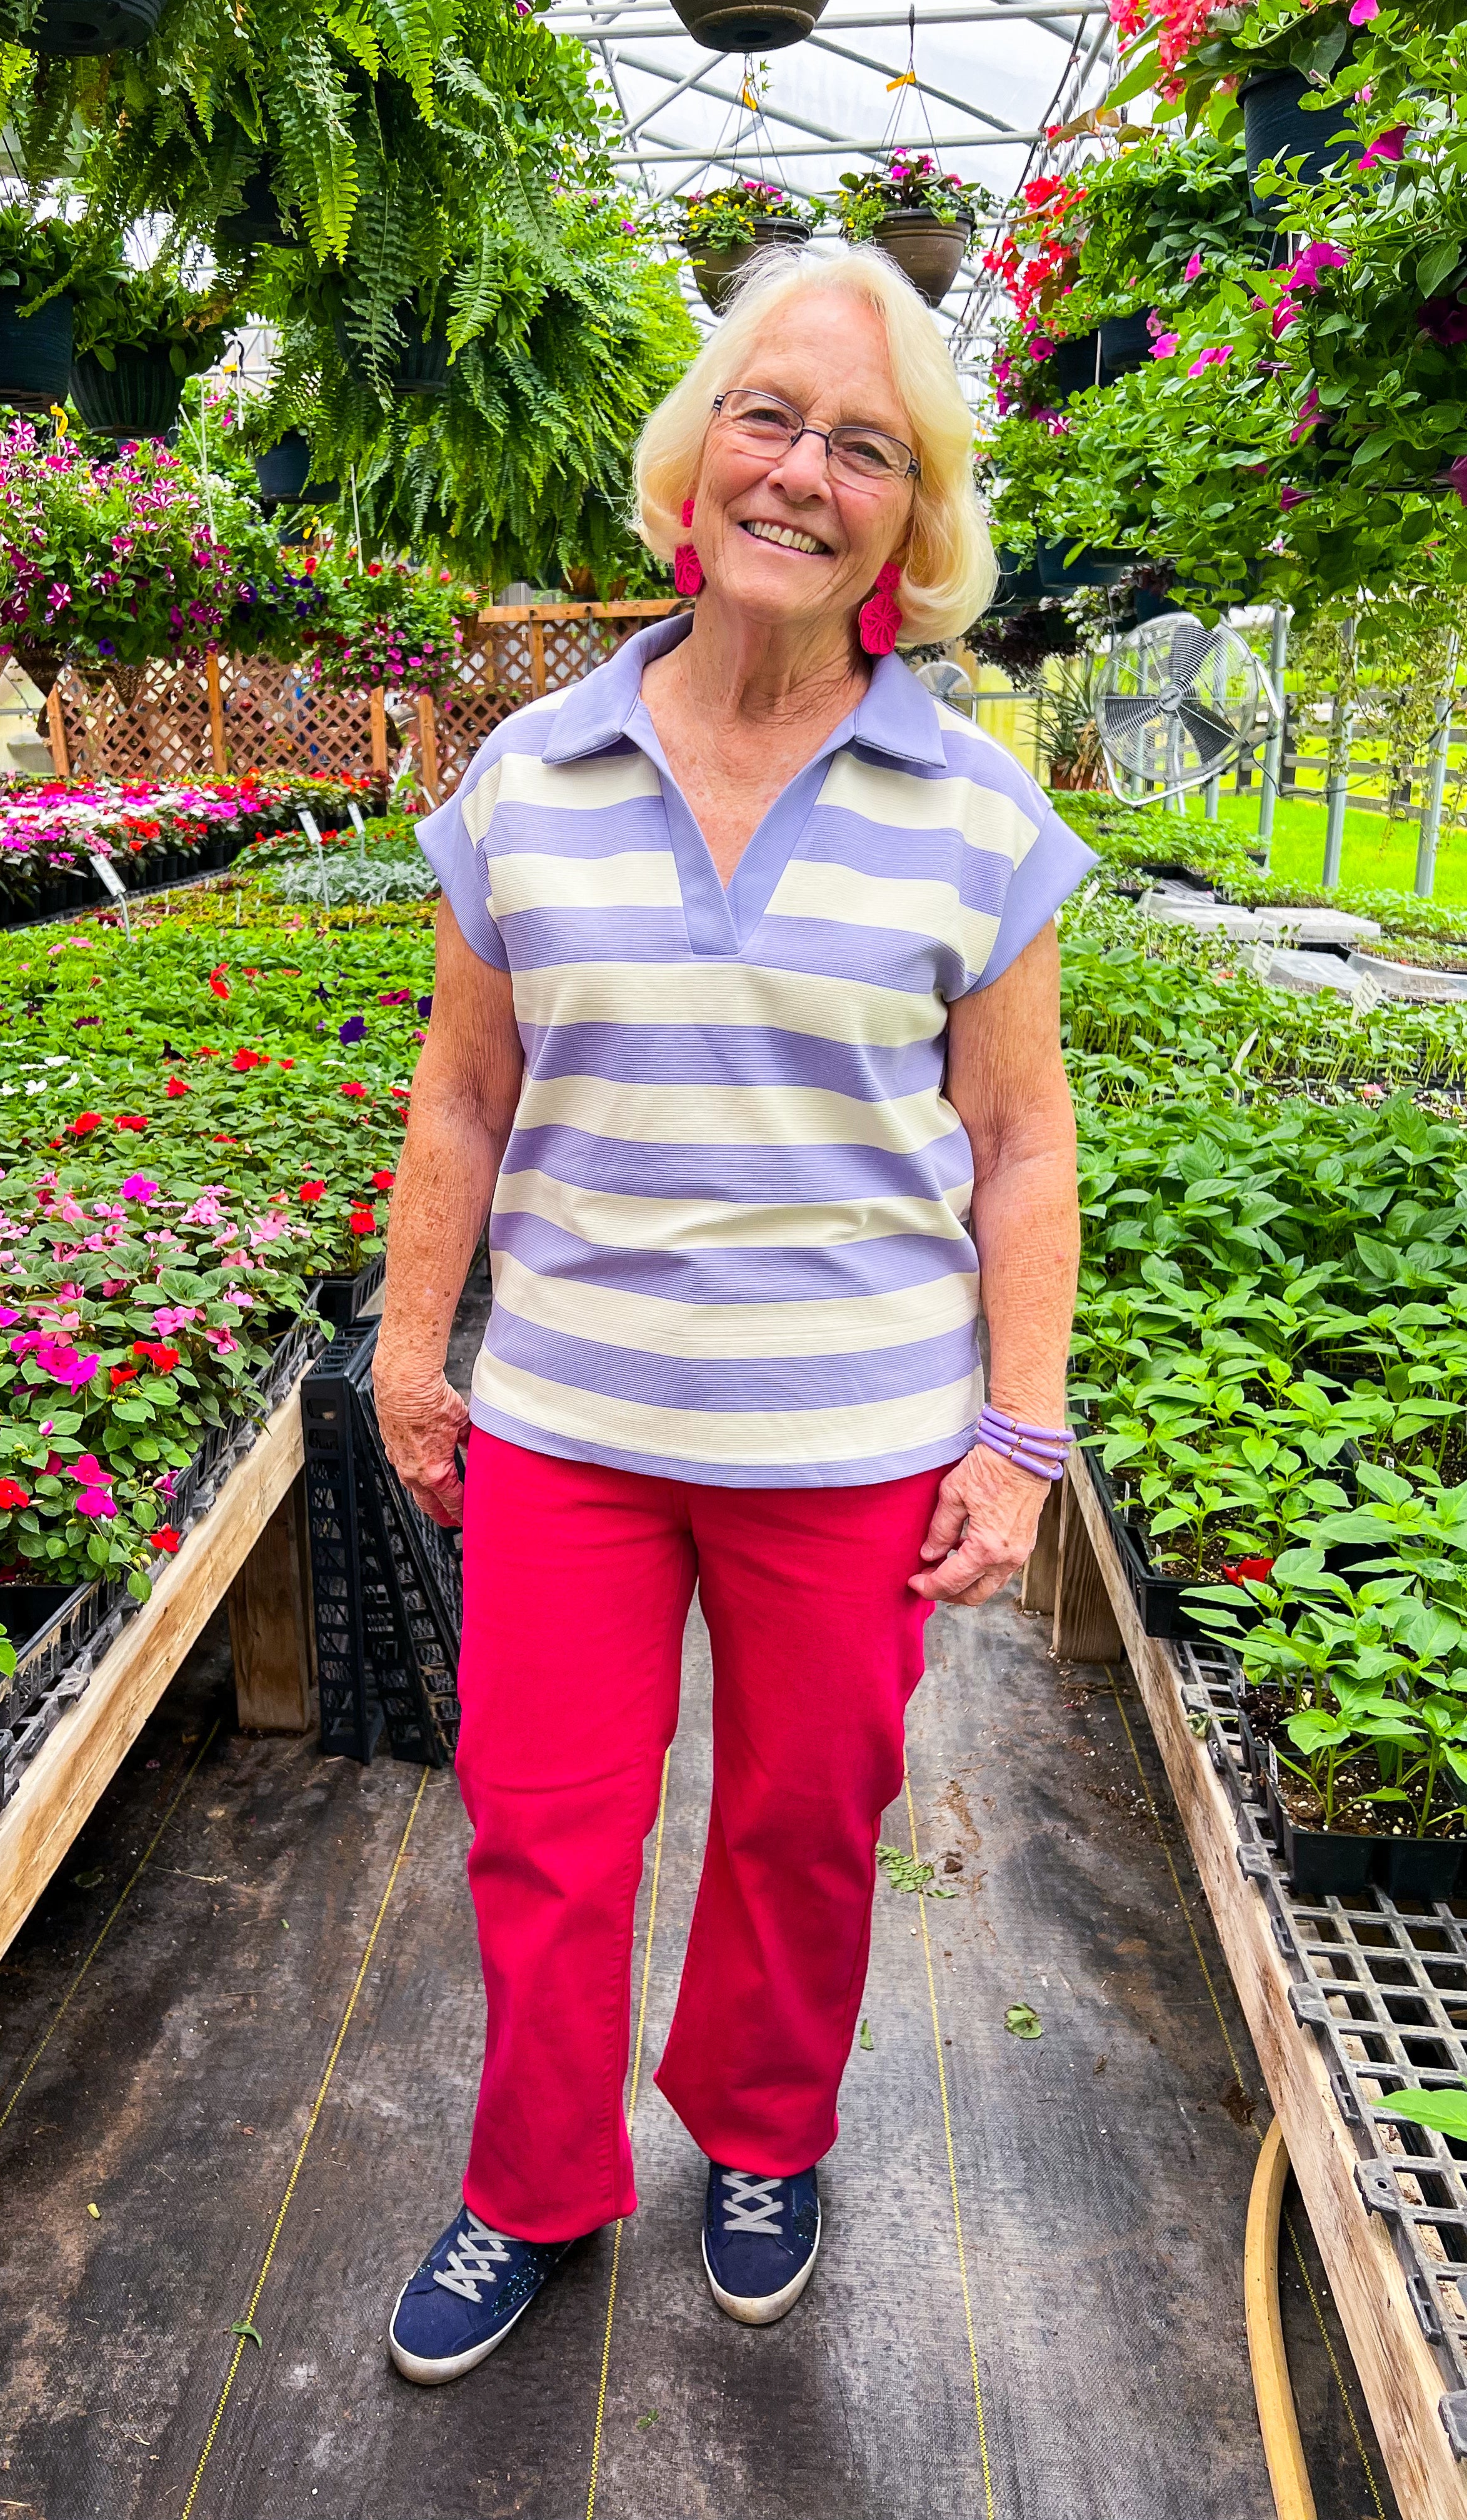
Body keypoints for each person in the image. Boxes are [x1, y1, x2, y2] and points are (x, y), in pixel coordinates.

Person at [373, 243, 1094, 2386]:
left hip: (849, 1446)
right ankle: (533, 2182)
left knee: (802, 1824)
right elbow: (466, 1087)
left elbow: (1025, 1142)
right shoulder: (534, 771)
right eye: (768, 419)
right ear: (694, 460)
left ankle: (765, 2135)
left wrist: (1018, 1431)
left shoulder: (976, 814)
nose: (803, 471)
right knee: (544, 1825)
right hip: (573, 1423)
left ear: (914, 514)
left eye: (865, 445)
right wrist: (416, 1347)